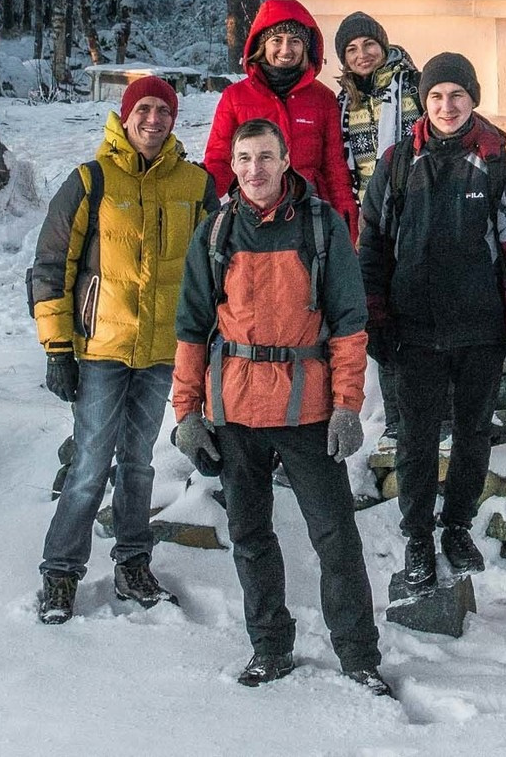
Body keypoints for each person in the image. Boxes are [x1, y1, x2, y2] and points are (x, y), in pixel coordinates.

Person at [171, 119, 388, 694]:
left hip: (307, 410)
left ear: (286, 159)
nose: (254, 169)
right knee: (250, 535)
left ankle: (358, 655)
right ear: (234, 164)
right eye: (244, 158)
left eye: (266, 157)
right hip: (234, 410)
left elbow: (348, 322)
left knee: (335, 536)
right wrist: (187, 414)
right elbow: (191, 329)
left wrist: (347, 405)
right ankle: (269, 645)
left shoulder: (320, 229)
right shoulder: (215, 232)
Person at [26, 74, 211, 625]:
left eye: (164, 111)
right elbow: (50, 265)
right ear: (126, 116)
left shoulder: (196, 186)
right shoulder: (91, 181)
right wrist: (58, 348)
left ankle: (133, 566)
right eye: (145, 110)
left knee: (139, 465)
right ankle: (60, 574)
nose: (154, 120)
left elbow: (212, 270)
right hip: (102, 351)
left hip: (162, 354)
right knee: (88, 464)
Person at [358, 50, 506, 593]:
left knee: (472, 433)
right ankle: (417, 536)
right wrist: (377, 318)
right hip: (413, 329)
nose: (446, 105)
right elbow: (372, 247)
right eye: (436, 96)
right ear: (424, 101)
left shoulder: (499, 163)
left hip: (479, 327)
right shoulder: (396, 164)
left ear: (472, 99)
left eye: (456, 95)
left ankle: (456, 526)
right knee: (416, 438)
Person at [207, 0, 357, 235]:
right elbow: (220, 157)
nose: (286, 50)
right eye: (277, 40)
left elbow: (333, 165)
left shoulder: (323, 98)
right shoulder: (235, 97)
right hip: (253, 213)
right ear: (262, 44)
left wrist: (345, 211)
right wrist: (202, 191)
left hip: (309, 213)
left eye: (295, 41)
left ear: (305, 47)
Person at [335, 12, 420, 199]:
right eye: (352, 49)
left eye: (369, 44)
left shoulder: (414, 86)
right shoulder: (343, 103)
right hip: (367, 208)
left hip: (415, 200)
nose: (362, 55)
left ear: (383, 46)